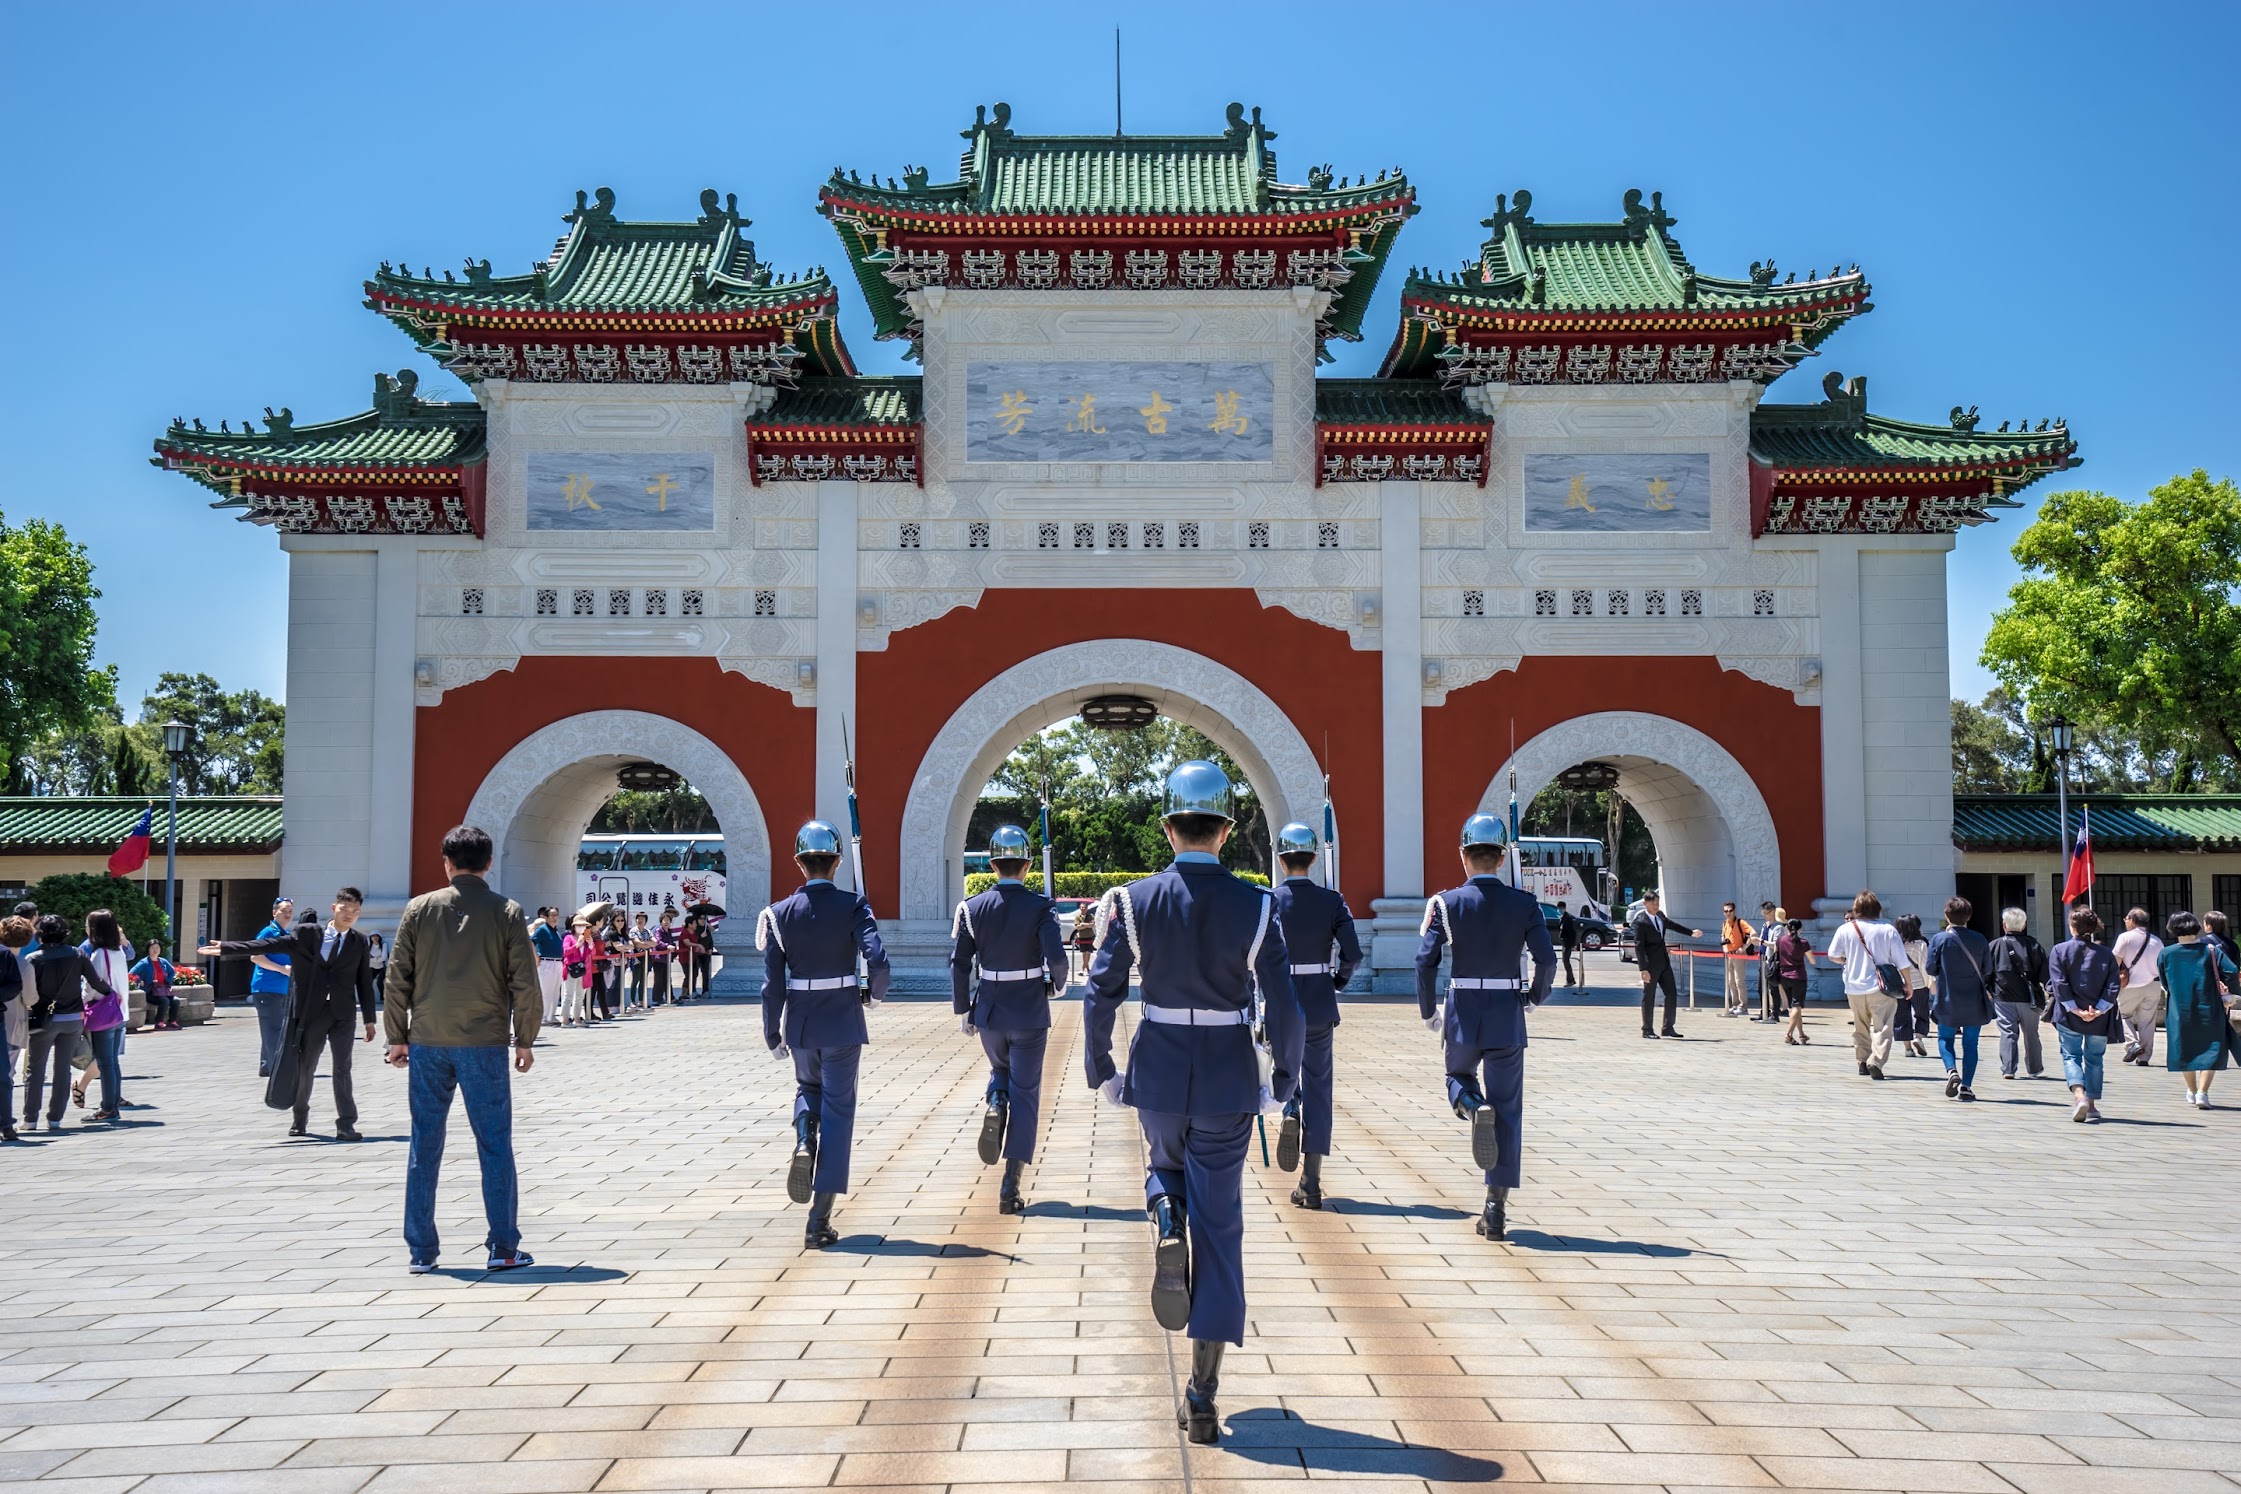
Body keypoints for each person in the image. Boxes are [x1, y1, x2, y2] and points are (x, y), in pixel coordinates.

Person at [1081, 761, 1301, 1447]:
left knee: (1162, 1163)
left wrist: (1101, 1068)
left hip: (1158, 1068)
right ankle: (1202, 1394)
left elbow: (1099, 992)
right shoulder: (1259, 904)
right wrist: (1286, 1080)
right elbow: (1285, 1006)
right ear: (1228, 830)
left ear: (1166, 826)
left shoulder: (1129, 901)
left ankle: (1163, 1210)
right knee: (1223, 1225)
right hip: (1228, 1078)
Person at [385, 824, 542, 1273]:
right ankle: (504, 1247)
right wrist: (525, 1037)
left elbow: (398, 977)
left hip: (428, 1040)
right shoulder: (506, 911)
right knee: (494, 1143)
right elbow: (524, 981)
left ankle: (421, 1251)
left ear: (447, 863)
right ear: (489, 863)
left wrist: (398, 1036)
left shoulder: (419, 909)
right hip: (484, 1041)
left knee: (424, 1144)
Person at [1417, 813, 1556, 1243]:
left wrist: (1427, 1012)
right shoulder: (1526, 904)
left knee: (1457, 1077)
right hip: (1506, 1011)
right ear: (1501, 858)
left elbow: (1426, 960)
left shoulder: (1445, 903)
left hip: (1463, 1007)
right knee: (1509, 1109)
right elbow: (1547, 961)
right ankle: (1494, 1211)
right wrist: (1532, 997)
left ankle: (1471, 1106)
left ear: (1463, 856)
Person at [762, 820, 890, 1249]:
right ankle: (819, 1220)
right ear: (837, 862)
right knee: (839, 1112)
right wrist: (874, 994)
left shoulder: (779, 913)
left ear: (799, 863)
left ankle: (803, 1137)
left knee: (806, 1086)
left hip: (800, 1021)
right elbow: (878, 958)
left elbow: (772, 983)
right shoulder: (854, 906)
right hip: (842, 1018)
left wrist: (772, 1031)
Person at [950, 825, 1069, 1214]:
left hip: (989, 1009)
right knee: (1028, 1093)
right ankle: (1010, 1185)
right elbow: (1057, 958)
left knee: (999, 1067)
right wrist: (1057, 985)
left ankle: (996, 1101)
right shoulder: (1041, 907)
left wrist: (963, 1007)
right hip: (1029, 1009)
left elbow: (961, 962)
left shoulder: (972, 907)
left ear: (992, 864)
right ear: (1028, 865)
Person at [202, 887, 378, 1140]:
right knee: (306, 1067)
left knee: (343, 1069)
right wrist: (228, 948)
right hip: (313, 1012)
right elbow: (271, 943)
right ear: (334, 908)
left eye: (355, 912)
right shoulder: (309, 935)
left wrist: (370, 1020)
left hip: (343, 1014)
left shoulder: (359, 941)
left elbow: (363, 981)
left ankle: (346, 1124)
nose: (349, 915)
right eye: (345, 909)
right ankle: (300, 1118)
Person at [1271, 822, 1362, 1211]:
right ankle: (1310, 1182)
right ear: (1312, 859)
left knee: (1283, 1069)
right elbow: (1353, 952)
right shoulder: (1332, 901)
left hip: (1280, 1002)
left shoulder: (1266, 899)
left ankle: (1290, 1107)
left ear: (1279, 859)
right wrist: (1337, 980)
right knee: (1320, 1087)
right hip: (1320, 1002)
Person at [21, 914, 118, 1131]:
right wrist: (111, 994)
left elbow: (26, 991)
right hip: (73, 1019)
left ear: (40, 934)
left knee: (35, 1069)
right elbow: (96, 982)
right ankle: (55, 1118)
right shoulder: (77, 954)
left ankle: (30, 1120)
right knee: (62, 1068)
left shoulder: (33, 959)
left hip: (43, 1020)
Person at [2158, 910, 2239, 1108]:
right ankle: (2203, 1093)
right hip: (2209, 1006)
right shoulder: (2210, 950)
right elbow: (2232, 970)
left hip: (2180, 1008)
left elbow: (2165, 982)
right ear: (2197, 927)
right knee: (2211, 1047)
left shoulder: (2166, 953)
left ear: (2172, 928)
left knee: (2185, 1049)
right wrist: (2227, 990)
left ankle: (2192, 1090)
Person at [2048, 905, 2121, 1122]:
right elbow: (2113, 985)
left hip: (2069, 1015)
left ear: (2072, 925)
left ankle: (2078, 1095)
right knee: (2095, 1059)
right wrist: (2099, 1008)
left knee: (2070, 1055)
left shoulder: (2059, 950)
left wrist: (2075, 1009)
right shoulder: (2107, 954)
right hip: (2099, 1016)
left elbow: (2059, 983)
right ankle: (2091, 1103)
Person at [1827, 890, 1906, 1079]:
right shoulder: (1887, 929)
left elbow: (1832, 955)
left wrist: (1845, 961)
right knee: (1883, 1027)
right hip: (1881, 987)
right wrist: (1908, 984)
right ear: (1877, 909)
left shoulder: (1845, 929)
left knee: (1860, 1025)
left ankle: (1862, 1061)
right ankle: (1876, 1061)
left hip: (1854, 987)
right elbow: (1902, 962)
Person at [1924, 897, 1995, 1101]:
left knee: (1945, 1038)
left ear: (1947, 916)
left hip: (1948, 999)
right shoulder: (1980, 939)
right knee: (1971, 1044)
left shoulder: (1939, 939)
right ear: (1969, 916)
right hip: (1974, 999)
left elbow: (1930, 968)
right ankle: (1966, 1086)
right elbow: (1988, 969)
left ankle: (1951, 1070)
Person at [75, 910, 132, 1120]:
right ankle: (113, 1102)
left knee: (105, 1062)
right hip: (119, 1012)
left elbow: (94, 986)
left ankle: (108, 1108)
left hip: (103, 1013)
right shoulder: (118, 952)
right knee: (112, 1061)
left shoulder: (99, 954)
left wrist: (81, 1001)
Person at [1988, 907, 2048, 1081]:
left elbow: (1986, 971)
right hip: (2029, 998)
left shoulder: (1995, 945)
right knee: (2031, 1033)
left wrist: (1987, 988)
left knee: (2007, 1032)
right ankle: (2034, 1068)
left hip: (2003, 997)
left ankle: (2008, 1069)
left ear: (2004, 925)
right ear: (2024, 925)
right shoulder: (2034, 945)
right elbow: (2044, 973)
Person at [1630, 893, 1699, 1039]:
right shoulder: (1640, 922)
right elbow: (1639, 947)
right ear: (1646, 903)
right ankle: (1647, 1029)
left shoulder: (1660, 916)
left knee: (1671, 993)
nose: (1657, 905)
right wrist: (1643, 969)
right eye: (1654, 903)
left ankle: (1668, 1027)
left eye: (1657, 902)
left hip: (1664, 963)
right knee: (1649, 996)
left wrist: (1691, 933)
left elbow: (1672, 925)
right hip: (1650, 965)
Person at [2111, 907, 2166, 1066]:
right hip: (2153, 985)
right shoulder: (2157, 941)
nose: (2125, 921)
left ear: (2132, 920)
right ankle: (2144, 1057)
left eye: (2126, 919)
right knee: (2148, 1021)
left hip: (2129, 986)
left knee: (2121, 1015)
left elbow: (2116, 961)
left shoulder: (2125, 938)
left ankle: (2132, 1044)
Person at [248, 897, 295, 1077]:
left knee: (273, 1028)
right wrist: (281, 969)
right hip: (266, 988)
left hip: (281, 989)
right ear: (274, 913)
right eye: (284, 910)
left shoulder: (286, 934)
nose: (288, 913)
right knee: (273, 1029)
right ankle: (278, 1068)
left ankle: (267, 1066)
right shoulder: (268, 932)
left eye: (290, 910)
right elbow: (255, 956)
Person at [1893, 913, 1934, 1058]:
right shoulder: (1921, 944)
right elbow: (1924, 966)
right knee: (1922, 1013)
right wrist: (1930, 983)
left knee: (1901, 1016)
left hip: (1899, 986)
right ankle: (1918, 1037)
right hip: (1918, 985)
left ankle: (1908, 1049)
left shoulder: (1894, 943)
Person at [1775, 917, 1812, 1044]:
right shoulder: (1803, 942)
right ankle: (1789, 1034)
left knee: (1795, 1008)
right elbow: (1812, 960)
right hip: (1799, 977)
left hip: (1784, 976)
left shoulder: (1780, 940)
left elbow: (1776, 955)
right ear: (1800, 929)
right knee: (1797, 1006)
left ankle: (1801, 1034)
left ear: (1787, 928)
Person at [527, 909, 566, 1026]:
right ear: (547, 917)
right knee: (546, 991)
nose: (555, 918)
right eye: (552, 915)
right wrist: (536, 957)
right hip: (546, 962)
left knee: (555, 992)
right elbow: (531, 942)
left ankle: (551, 1015)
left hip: (557, 962)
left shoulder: (555, 931)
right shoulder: (542, 929)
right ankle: (542, 1016)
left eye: (557, 915)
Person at [132, 939, 180, 1030]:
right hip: (150, 992)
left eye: (157, 948)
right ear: (148, 949)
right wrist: (139, 980)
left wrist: (168, 981)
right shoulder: (144, 963)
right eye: (152, 948)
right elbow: (131, 973)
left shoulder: (163, 961)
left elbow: (172, 972)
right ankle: (159, 1022)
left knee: (176, 1000)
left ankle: (172, 1021)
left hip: (163, 990)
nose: (155, 950)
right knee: (164, 1000)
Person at [1719, 902, 1754, 1018]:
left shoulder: (1740, 922)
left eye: (1730, 911)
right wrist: (1724, 947)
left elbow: (1753, 933)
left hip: (1739, 955)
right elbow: (1723, 937)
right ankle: (1735, 1004)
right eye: (1726, 911)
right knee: (1731, 981)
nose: (1728, 913)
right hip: (1729, 955)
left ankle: (1743, 1006)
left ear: (1734, 911)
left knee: (1739, 981)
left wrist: (1743, 947)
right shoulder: (1724, 923)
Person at [1756, 901, 1783, 1022]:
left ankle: (1775, 1013)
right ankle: (1764, 1011)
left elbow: (1776, 944)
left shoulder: (1778, 927)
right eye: (1763, 914)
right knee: (1761, 988)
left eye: (1766, 913)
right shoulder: (1764, 926)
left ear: (1773, 912)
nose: (1765, 916)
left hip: (1772, 960)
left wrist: (1761, 941)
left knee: (1773, 987)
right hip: (1762, 959)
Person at [1555, 901, 1582, 993]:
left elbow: (1572, 933)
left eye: (1560, 908)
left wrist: (1572, 944)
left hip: (1567, 943)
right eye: (1558, 908)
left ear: (1564, 908)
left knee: (1566, 961)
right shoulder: (1563, 918)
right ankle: (1571, 979)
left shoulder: (1568, 919)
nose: (1559, 910)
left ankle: (1570, 980)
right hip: (1565, 943)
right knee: (1565, 961)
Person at [366, 931, 388, 1010]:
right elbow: (367, 959)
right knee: (367, 983)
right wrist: (377, 959)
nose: (375, 938)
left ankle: (383, 998)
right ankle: (368, 999)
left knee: (379, 982)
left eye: (376, 936)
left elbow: (384, 958)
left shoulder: (383, 945)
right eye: (373, 936)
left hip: (382, 967)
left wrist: (373, 959)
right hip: (372, 967)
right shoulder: (369, 946)